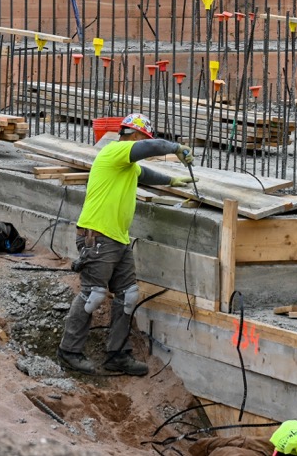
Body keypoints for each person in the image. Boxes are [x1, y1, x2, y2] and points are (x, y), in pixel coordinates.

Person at [58, 113, 195, 375]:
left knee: (128, 295)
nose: (144, 146)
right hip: (97, 236)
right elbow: (149, 149)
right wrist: (176, 147)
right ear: (134, 136)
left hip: (118, 238)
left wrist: (171, 181)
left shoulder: (126, 165)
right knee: (93, 295)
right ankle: (69, 351)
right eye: (143, 139)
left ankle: (117, 355)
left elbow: (145, 173)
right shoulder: (115, 151)